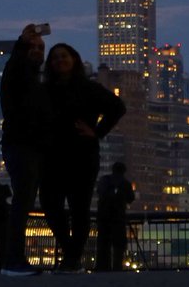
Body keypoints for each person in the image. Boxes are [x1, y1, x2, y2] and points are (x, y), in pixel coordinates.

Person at [39, 43, 125, 273]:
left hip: (82, 156)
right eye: (55, 58)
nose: (59, 60)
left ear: (74, 59)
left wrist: (97, 131)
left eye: (64, 56)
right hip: (52, 157)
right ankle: (71, 253)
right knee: (49, 204)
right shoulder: (45, 90)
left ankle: (71, 259)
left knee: (80, 209)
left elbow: (117, 107)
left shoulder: (88, 88)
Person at [0, 24, 52, 276]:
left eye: (41, 47)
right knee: (22, 203)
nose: (37, 50)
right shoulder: (18, 71)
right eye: (33, 46)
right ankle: (13, 261)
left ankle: (13, 260)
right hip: (20, 146)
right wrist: (22, 42)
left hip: (29, 147)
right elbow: (15, 65)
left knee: (24, 203)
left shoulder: (34, 78)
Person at [95, 162, 135, 271]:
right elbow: (131, 198)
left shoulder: (104, 180)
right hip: (119, 218)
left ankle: (102, 268)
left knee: (103, 245)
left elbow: (99, 192)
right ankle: (117, 268)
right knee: (118, 246)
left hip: (103, 218)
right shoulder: (125, 183)